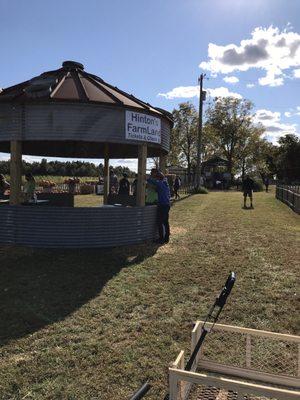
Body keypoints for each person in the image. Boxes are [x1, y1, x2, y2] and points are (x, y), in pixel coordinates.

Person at [147, 170, 171, 244]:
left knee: (159, 222)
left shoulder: (160, 183)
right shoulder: (165, 184)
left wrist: (147, 178)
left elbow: (151, 181)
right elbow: (158, 190)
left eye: (156, 177)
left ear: (158, 178)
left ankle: (161, 239)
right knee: (165, 222)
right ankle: (166, 238)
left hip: (163, 205)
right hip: (167, 205)